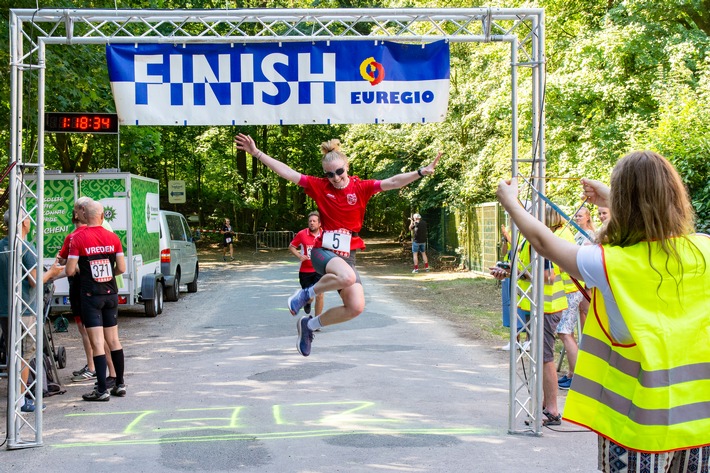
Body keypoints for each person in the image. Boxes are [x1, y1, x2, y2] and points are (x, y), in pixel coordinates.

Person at [497, 151, 709, 471]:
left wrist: (512, 204)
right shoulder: (703, 248)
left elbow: (543, 243)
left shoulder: (606, 262)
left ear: (622, 202)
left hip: (636, 428)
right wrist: (613, 196)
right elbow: (653, 215)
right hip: (699, 423)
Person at [235, 133, 441, 357]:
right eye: (330, 174)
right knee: (348, 277)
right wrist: (256, 153)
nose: (335, 177)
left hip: (347, 255)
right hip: (323, 251)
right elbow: (288, 172)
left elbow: (392, 182)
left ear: (347, 167)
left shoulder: (361, 188)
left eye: (340, 171)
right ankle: (306, 294)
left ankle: (309, 326)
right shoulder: (320, 187)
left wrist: (420, 172)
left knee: (355, 307)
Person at [0, 209, 64, 412]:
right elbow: (35, 280)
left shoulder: (1, 246)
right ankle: (20, 401)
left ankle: (17, 398)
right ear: (25, 224)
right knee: (24, 357)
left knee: (12, 354)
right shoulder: (26, 248)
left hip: (4, 309)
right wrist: (53, 272)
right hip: (25, 310)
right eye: (28, 218)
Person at [65, 201, 127, 401]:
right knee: (114, 340)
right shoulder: (113, 237)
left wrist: (85, 272)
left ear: (85, 216)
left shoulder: (78, 238)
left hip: (90, 296)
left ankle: (101, 390)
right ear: (101, 216)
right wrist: (108, 275)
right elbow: (122, 268)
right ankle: (120, 383)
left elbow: (69, 269)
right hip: (110, 293)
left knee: (97, 342)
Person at [56, 197, 117, 388]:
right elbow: (115, 263)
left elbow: (68, 266)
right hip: (106, 288)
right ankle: (114, 377)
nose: (75, 212)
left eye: (76, 209)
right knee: (107, 336)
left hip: (87, 289)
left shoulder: (77, 236)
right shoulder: (104, 230)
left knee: (93, 334)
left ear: (82, 211)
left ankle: (98, 372)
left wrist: (70, 265)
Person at [288, 211, 325, 320]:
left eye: (314, 221)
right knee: (310, 297)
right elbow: (291, 246)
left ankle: (317, 321)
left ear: (319, 224)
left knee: (320, 294)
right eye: (310, 221)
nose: (312, 223)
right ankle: (307, 303)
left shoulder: (325, 234)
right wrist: (299, 256)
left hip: (320, 270)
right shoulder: (302, 234)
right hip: (305, 271)